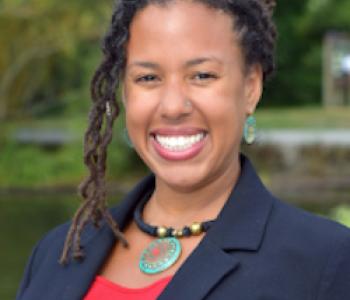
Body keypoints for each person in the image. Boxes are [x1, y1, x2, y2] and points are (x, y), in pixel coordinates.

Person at [16, 0, 350, 299]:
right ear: (125, 93)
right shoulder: (57, 251)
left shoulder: (325, 261)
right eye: (147, 78)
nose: (174, 106)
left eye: (202, 75)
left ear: (250, 87)